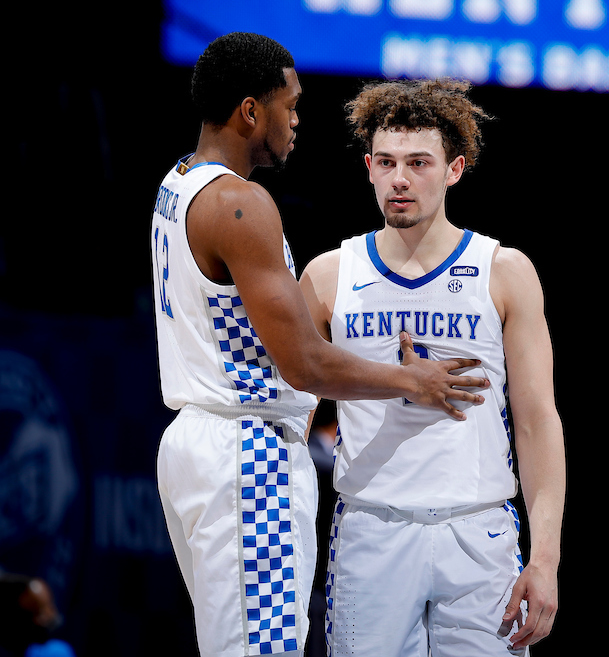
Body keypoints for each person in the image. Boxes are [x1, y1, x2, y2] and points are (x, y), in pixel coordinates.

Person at [152, 33, 489, 657]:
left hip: (197, 443)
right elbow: (304, 363)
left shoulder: (178, 182)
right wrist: (415, 381)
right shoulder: (238, 203)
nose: (297, 119)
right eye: (291, 104)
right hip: (244, 452)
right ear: (252, 111)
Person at [299, 78, 565, 655]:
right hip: (371, 530)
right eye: (387, 162)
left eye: (419, 162)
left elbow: (539, 421)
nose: (400, 178)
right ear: (368, 167)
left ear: (455, 170)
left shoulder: (505, 271)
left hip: (480, 533)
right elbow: (292, 408)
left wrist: (546, 559)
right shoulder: (327, 276)